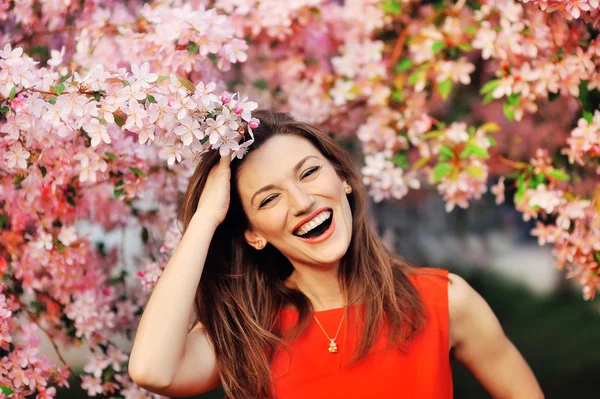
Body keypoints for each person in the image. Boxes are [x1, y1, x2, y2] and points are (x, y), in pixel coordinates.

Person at [128, 111, 543, 399]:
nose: (303, 201)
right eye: (269, 198)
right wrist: (205, 219)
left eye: (309, 172)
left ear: (342, 178)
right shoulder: (251, 331)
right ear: (253, 234)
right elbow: (152, 370)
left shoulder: (445, 300)